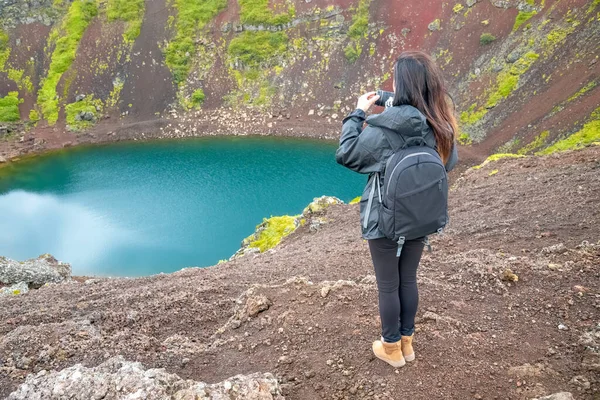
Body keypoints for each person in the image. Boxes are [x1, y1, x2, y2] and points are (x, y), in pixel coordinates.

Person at [335, 50, 458, 368]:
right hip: (421, 214)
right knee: (408, 279)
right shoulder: (440, 123)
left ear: (404, 87)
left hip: (384, 216)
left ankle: (390, 349)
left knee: (388, 284)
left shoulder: (385, 129)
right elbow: (450, 163)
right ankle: (407, 343)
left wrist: (358, 113)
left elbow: (347, 153)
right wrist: (389, 98)